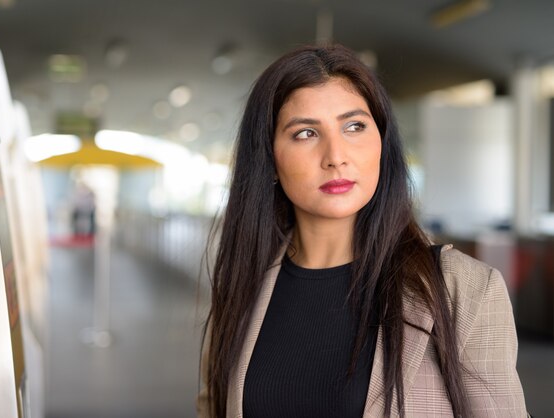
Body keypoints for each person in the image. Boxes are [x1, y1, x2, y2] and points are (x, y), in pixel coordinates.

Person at [197, 44, 527, 417]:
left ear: (382, 144)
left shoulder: (464, 289)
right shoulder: (242, 288)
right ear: (269, 160)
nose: (336, 155)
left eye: (354, 126)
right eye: (305, 133)